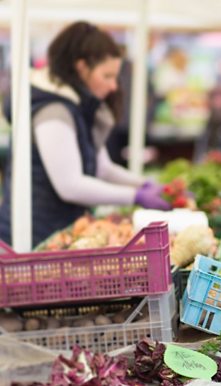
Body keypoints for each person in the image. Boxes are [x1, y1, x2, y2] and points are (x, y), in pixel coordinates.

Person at [0, 21, 170, 247]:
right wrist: (135, 196)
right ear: (82, 68)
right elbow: (70, 185)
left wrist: (144, 184)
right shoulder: (54, 111)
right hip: (35, 237)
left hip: (60, 231)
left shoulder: (76, 106)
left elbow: (102, 168)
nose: (113, 87)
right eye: (107, 76)